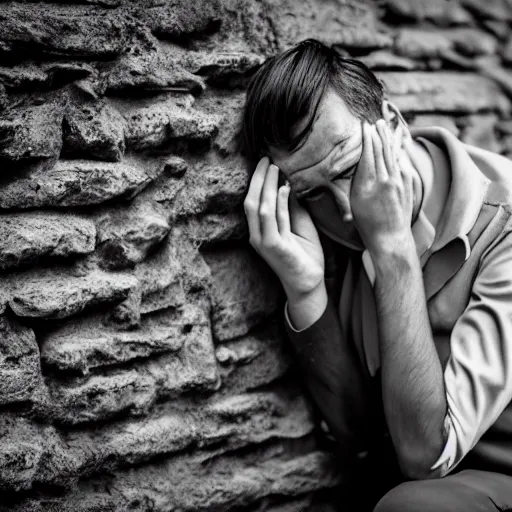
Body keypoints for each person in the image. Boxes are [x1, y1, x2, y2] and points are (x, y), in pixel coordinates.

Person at [241, 39, 512, 511]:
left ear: (392, 125)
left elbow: (424, 456)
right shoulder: (337, 243)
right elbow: (360, 437)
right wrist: (306, 292)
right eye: (314, 195)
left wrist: (391, 249)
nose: (347, 211)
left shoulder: (505, 223)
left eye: (348, 169)